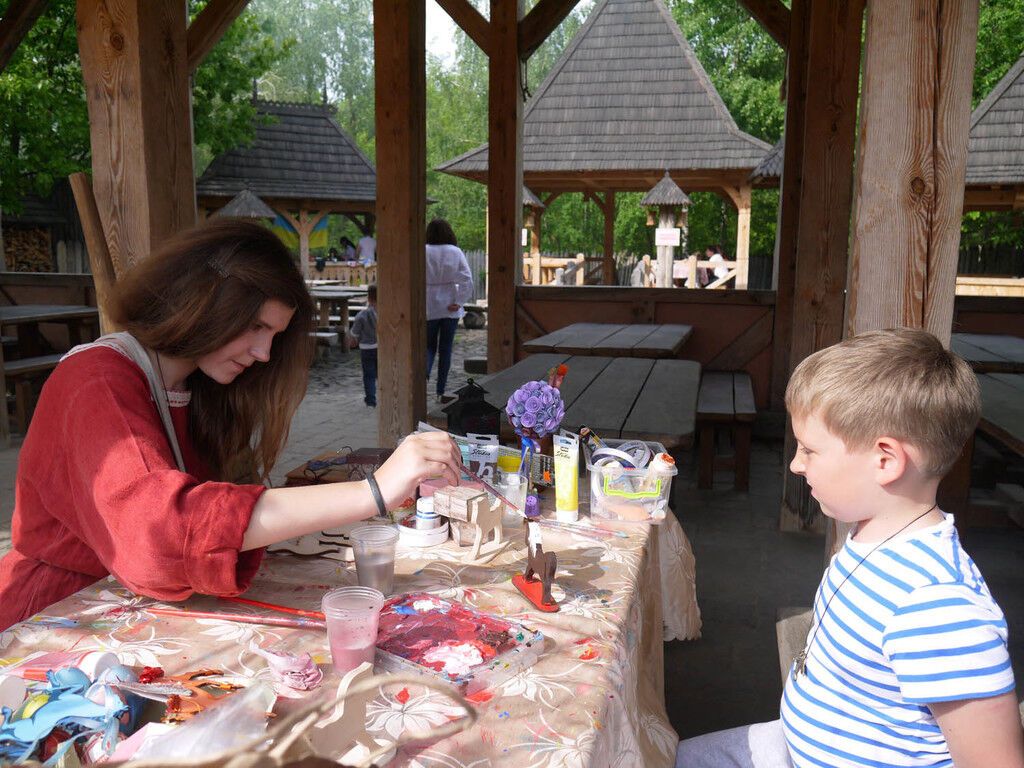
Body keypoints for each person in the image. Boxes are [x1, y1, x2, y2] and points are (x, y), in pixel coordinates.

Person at [0, 219, 462, 632]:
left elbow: (214, 519)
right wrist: (373, 492)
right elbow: (158, 537)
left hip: (134, 611)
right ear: (203, 304)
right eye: (256, 327)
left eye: (274, 336)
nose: (263, 353)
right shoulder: (97, 380)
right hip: (56, 621)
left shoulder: (196, 387)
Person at [676, 328, 1024, 768]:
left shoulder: (938, 607)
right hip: (792, 746)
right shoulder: (870, 533)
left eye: (809, 450)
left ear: (885, 461)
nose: (795, 465)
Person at [424, 218, 474, 403]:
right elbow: (467, 279)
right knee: (445, 349)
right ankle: (440, 390)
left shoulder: (423, 250)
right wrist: (459, 301)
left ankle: (424, 376)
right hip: (449, 306)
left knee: (428, 347)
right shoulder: (455, 252)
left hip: (428, 305)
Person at [349, 284, 378, 407]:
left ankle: (371, 400)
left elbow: (354, 334)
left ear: (369, 298)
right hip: (381, 348)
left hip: (366, 349)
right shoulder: (386, 313)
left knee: (369, 375)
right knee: (382, 373)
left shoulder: (361, 315)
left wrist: (352, 342)